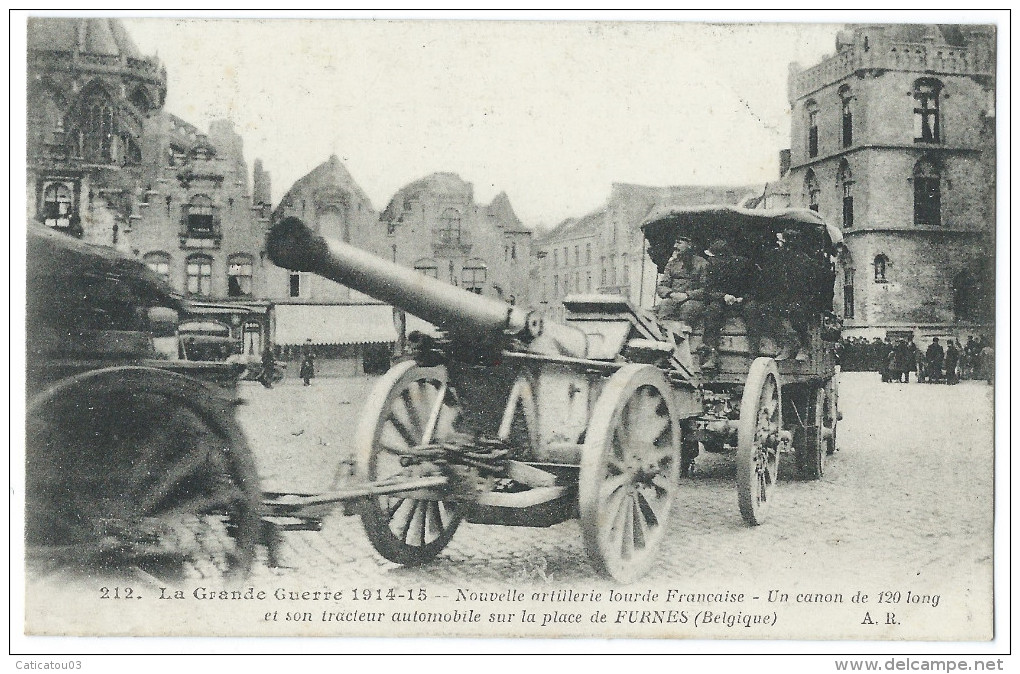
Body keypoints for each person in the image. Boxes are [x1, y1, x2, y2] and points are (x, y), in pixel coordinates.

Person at [700, 238, 751, 369]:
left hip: (742, 301)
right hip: (722, 301)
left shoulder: (744, 265)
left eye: (713, 257)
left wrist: (743, 298)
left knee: (753, 310)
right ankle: (712, 354)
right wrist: (723, 296)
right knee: (712, 310)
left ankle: (753, 354)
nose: (710, 260)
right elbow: (708, 290)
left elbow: (754, 287)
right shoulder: (711, 268)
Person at [654, 236, 709, 326]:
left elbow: (706, 289)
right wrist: (671, 294)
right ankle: (664, 335)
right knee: (665, 304)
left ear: (689, 245)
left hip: (693, 300)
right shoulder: (672, 264)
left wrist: (687, 295)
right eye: (675, 243)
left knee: (688, 308)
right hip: (674, 298)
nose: (675, 246)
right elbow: (662, 286)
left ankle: (684, 336)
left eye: (679, 243)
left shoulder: (702, 263)